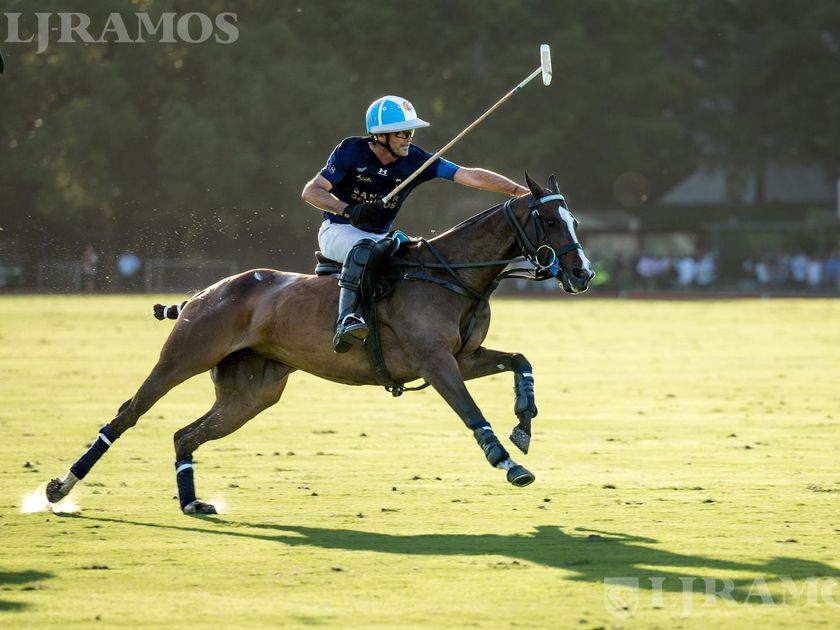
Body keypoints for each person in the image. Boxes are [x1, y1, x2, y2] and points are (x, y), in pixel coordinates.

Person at [302, 95, 529, 353]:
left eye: (411, 132)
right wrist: (348, 210)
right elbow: (312, 191)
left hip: (380, 237)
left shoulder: (416, 161)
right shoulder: (351, 151)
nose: (409, 138)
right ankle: (346, 320)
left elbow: (470, 175)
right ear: (380, 136)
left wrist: (518, 191)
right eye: (402, 133)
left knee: (418, 256)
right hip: (338, 230)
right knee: (365, 248)